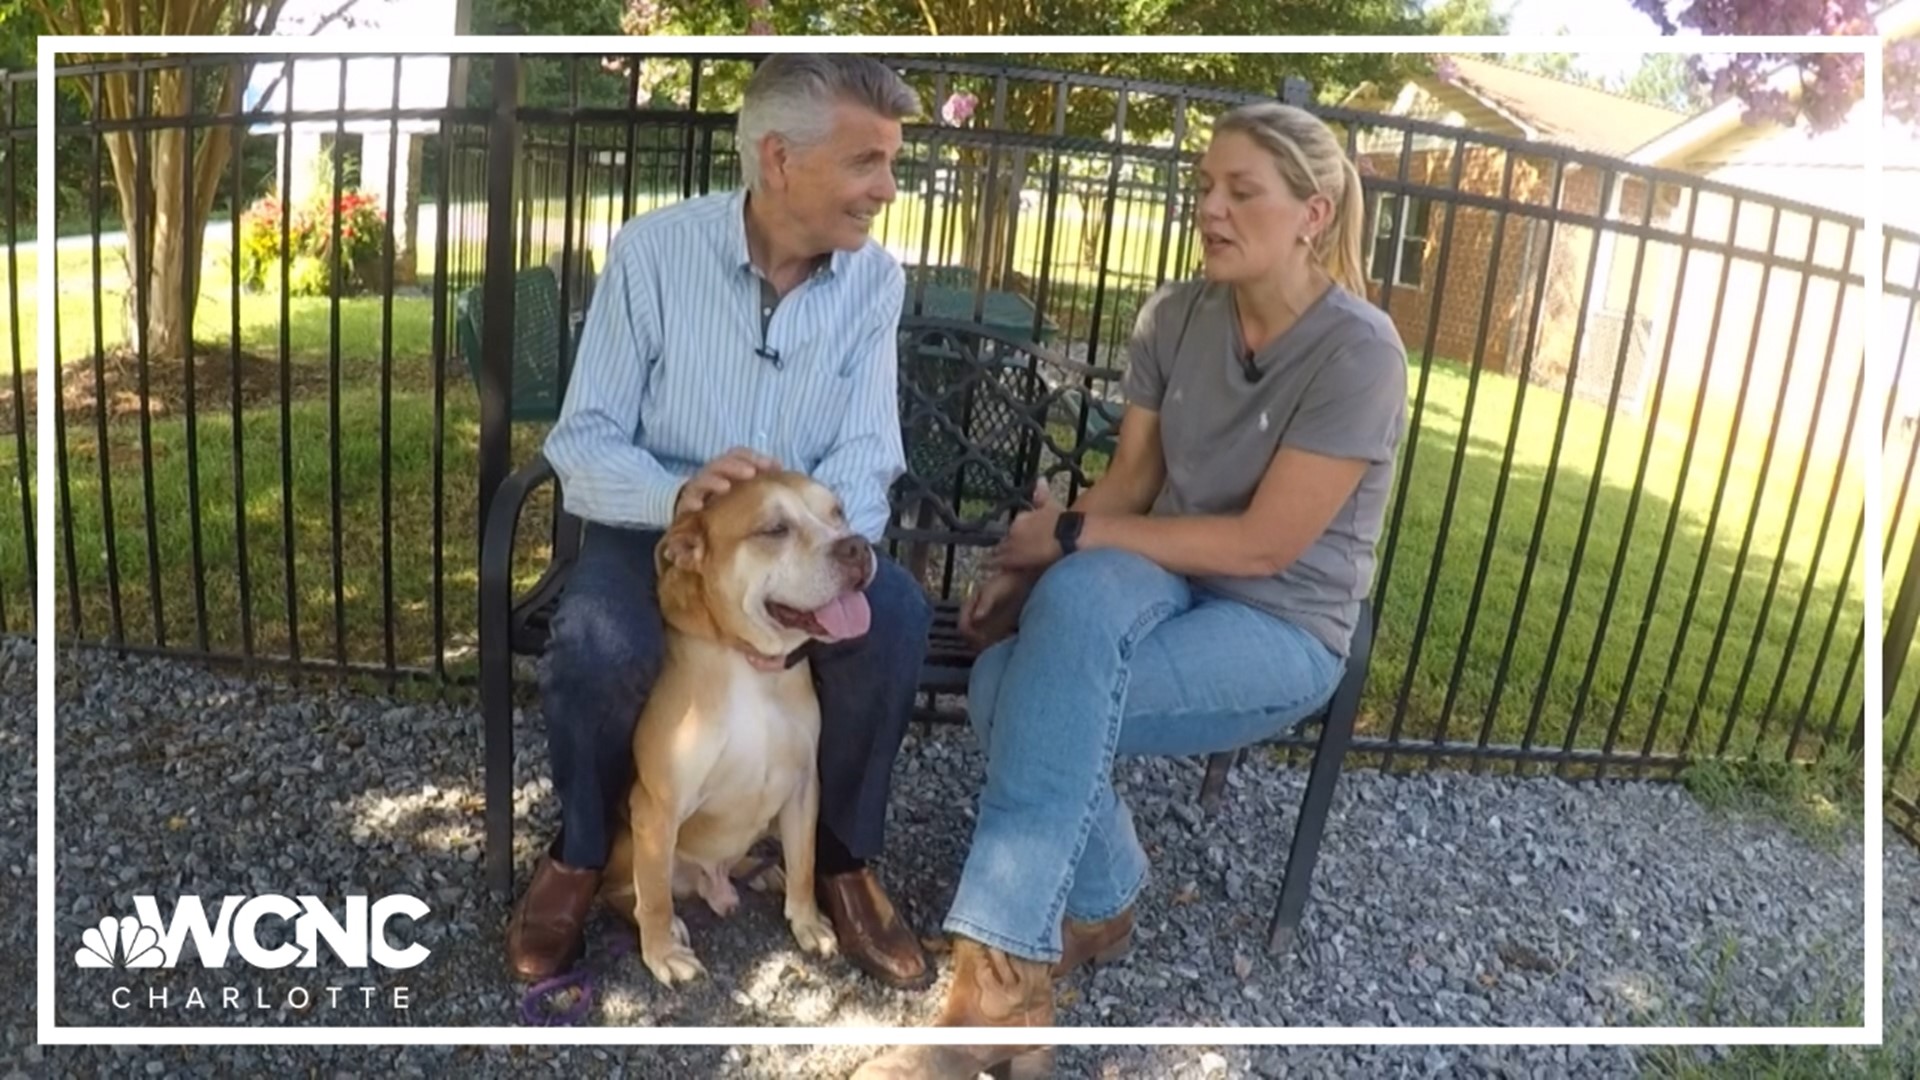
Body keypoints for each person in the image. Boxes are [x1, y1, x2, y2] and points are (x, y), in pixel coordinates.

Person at [852, 101, 1410, 1077]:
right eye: (1205, 187)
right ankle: (1085, 919)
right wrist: (1035, 563)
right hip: (1167, 576)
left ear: (1313, 213)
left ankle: (993, 988)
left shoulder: (1359, 352)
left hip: (1279, 624)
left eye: (1243, 192)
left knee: (1010, 689)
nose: (1212, 209)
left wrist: (1063, 534)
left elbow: (1264, 545)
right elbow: (1133, 489)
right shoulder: (1176, 314)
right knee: (1041, 641)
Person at [505, 53, 936, 992]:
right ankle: (582, 853)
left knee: (892, 620)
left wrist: (815, 551)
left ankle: (843, 862)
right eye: (867, 162)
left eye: (890, 163)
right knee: (598, 641)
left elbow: (870, 450)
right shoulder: (656, 252)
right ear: (779, 159)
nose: (887, 190)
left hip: (801, 535)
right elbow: (581, 442)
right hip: (656, 521)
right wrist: (680, 498)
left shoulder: (875, 283)